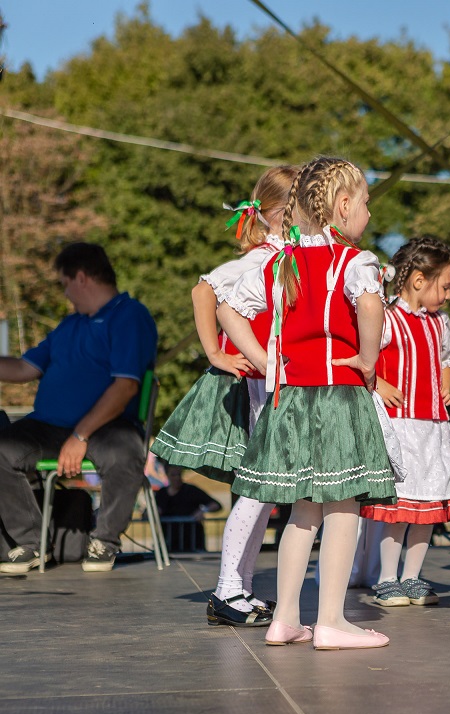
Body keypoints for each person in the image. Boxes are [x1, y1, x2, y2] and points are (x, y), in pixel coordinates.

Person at [217, 156, 397, 650]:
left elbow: (228, 309)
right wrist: (367, 359)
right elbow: (369, 305)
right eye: (365, 203)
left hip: (291, 398)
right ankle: (332, 620)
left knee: (302, 509)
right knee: (342, 507)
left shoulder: (281, 263)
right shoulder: (354, 262)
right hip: (338, 397)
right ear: (344, 206)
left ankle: (286, 618)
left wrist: (266, 360)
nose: (368, 213)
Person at [151, 165, 296, 627]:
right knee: (256, 487)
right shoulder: (263, 257)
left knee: (265, 492)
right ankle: (227, 590)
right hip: (258, 385)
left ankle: (241, 588)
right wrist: (215, 352)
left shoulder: (289, 254)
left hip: (274, 382)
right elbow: (203, 290)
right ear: (279, 210)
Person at [0, 242, 157, 574]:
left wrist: (80, 435)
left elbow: (126, 386)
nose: (65, 293)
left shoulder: (129, 315)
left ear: (81, 277)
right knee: (2, 448)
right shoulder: (68, 326)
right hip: (49, 427)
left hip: (108, 426)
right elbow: (24, 369)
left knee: (124, 453)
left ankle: (104, 542)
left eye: (65, 284)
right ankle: (31, 544)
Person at [362, 236, 450, 607]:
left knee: (427, 505)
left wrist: (445, 386)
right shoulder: (387, 317)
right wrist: (379, 384)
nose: (448, 295)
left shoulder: (439, 322)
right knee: (399, 509)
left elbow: (445, 359)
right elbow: (364, 357)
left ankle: (411, 576)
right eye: (445, 287)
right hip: (400, 426)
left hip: (433, 425)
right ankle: (386, 578)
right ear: (418, 280)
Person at [154, 464, 221, 552]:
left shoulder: (191, 490)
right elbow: (147, 512)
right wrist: (154, 512)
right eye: (173, 475)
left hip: (193, 543)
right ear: (167, 475)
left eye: (179, 474)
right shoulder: (161, 493)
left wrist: (203, 510)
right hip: (169, 544)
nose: (177, 478)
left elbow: (215, 504)